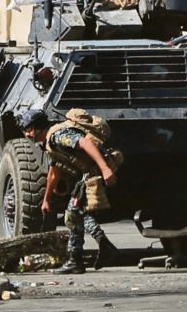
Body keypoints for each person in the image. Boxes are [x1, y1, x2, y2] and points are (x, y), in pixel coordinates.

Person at [18, 108, 119, 274]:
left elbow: (87, 143)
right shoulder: (50, 143)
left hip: (95, 172)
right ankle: (92, 252)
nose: (28, 134)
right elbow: (54, 173)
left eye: (29, 130)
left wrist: (105, 168)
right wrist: (46, 199)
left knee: (73, 214)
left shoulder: (58, 136)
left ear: (38, 128)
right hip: (89, 173)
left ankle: (79, 259)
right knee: (76, 213)